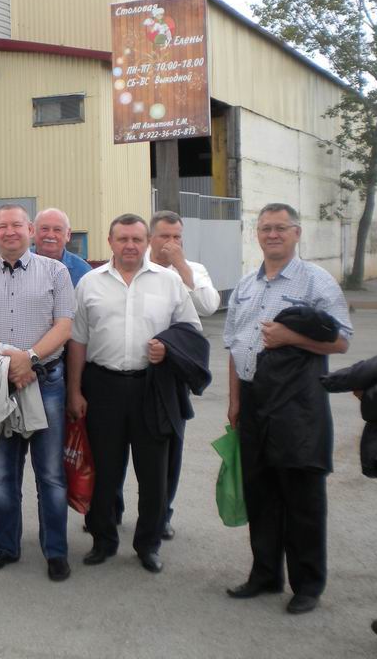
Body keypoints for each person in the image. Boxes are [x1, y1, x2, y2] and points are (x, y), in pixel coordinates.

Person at [224, 203, 351, 615]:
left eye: (281, 228)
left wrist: (289, 338)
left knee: (301, 496)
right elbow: (234, 345)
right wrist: (235, 401)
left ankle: (307, 584)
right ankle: (265, 574)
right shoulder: (246, 284)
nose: (273, 234)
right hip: (253, 400)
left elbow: (341, 341)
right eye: (265, 228)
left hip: (297, 402)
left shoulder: (316, 281)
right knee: (260, 492)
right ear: (256, 234)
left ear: (297, 233)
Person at [67, 213, 200, 574]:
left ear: (147, 242)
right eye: (122, 239)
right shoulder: (90, 283)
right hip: (102, 387)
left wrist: (168, 349)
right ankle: (103, 540)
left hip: (152, 388)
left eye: (136, 239)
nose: (130, 245)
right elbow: (77, 341)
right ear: (110, 241)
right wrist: (74, 391)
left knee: (153, 475)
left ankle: (148, 545)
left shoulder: (169, 283)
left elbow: (191, 331)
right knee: (104, 472)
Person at [0, 205, 74, 581]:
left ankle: (55, 551)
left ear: (29, 229)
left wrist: (30, 358)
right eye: (2, 226)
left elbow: (64, 326)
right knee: (2, 475)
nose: (9, 231)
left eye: (16, 225)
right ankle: (6, 546)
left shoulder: (55, 272)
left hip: (45, 384)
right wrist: (9, 360)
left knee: (51, 475)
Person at [147, 209, 220, 540]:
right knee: (118, 447)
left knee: (169, 449)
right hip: (131, 368)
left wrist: (181, 266)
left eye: (177, 237)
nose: (171, 242)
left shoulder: (193, 269)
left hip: (172, 369)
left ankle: (162, 513)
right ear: (151, 237)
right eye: (165, 236)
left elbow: (209, 305)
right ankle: (111, 509)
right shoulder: (134, 265)